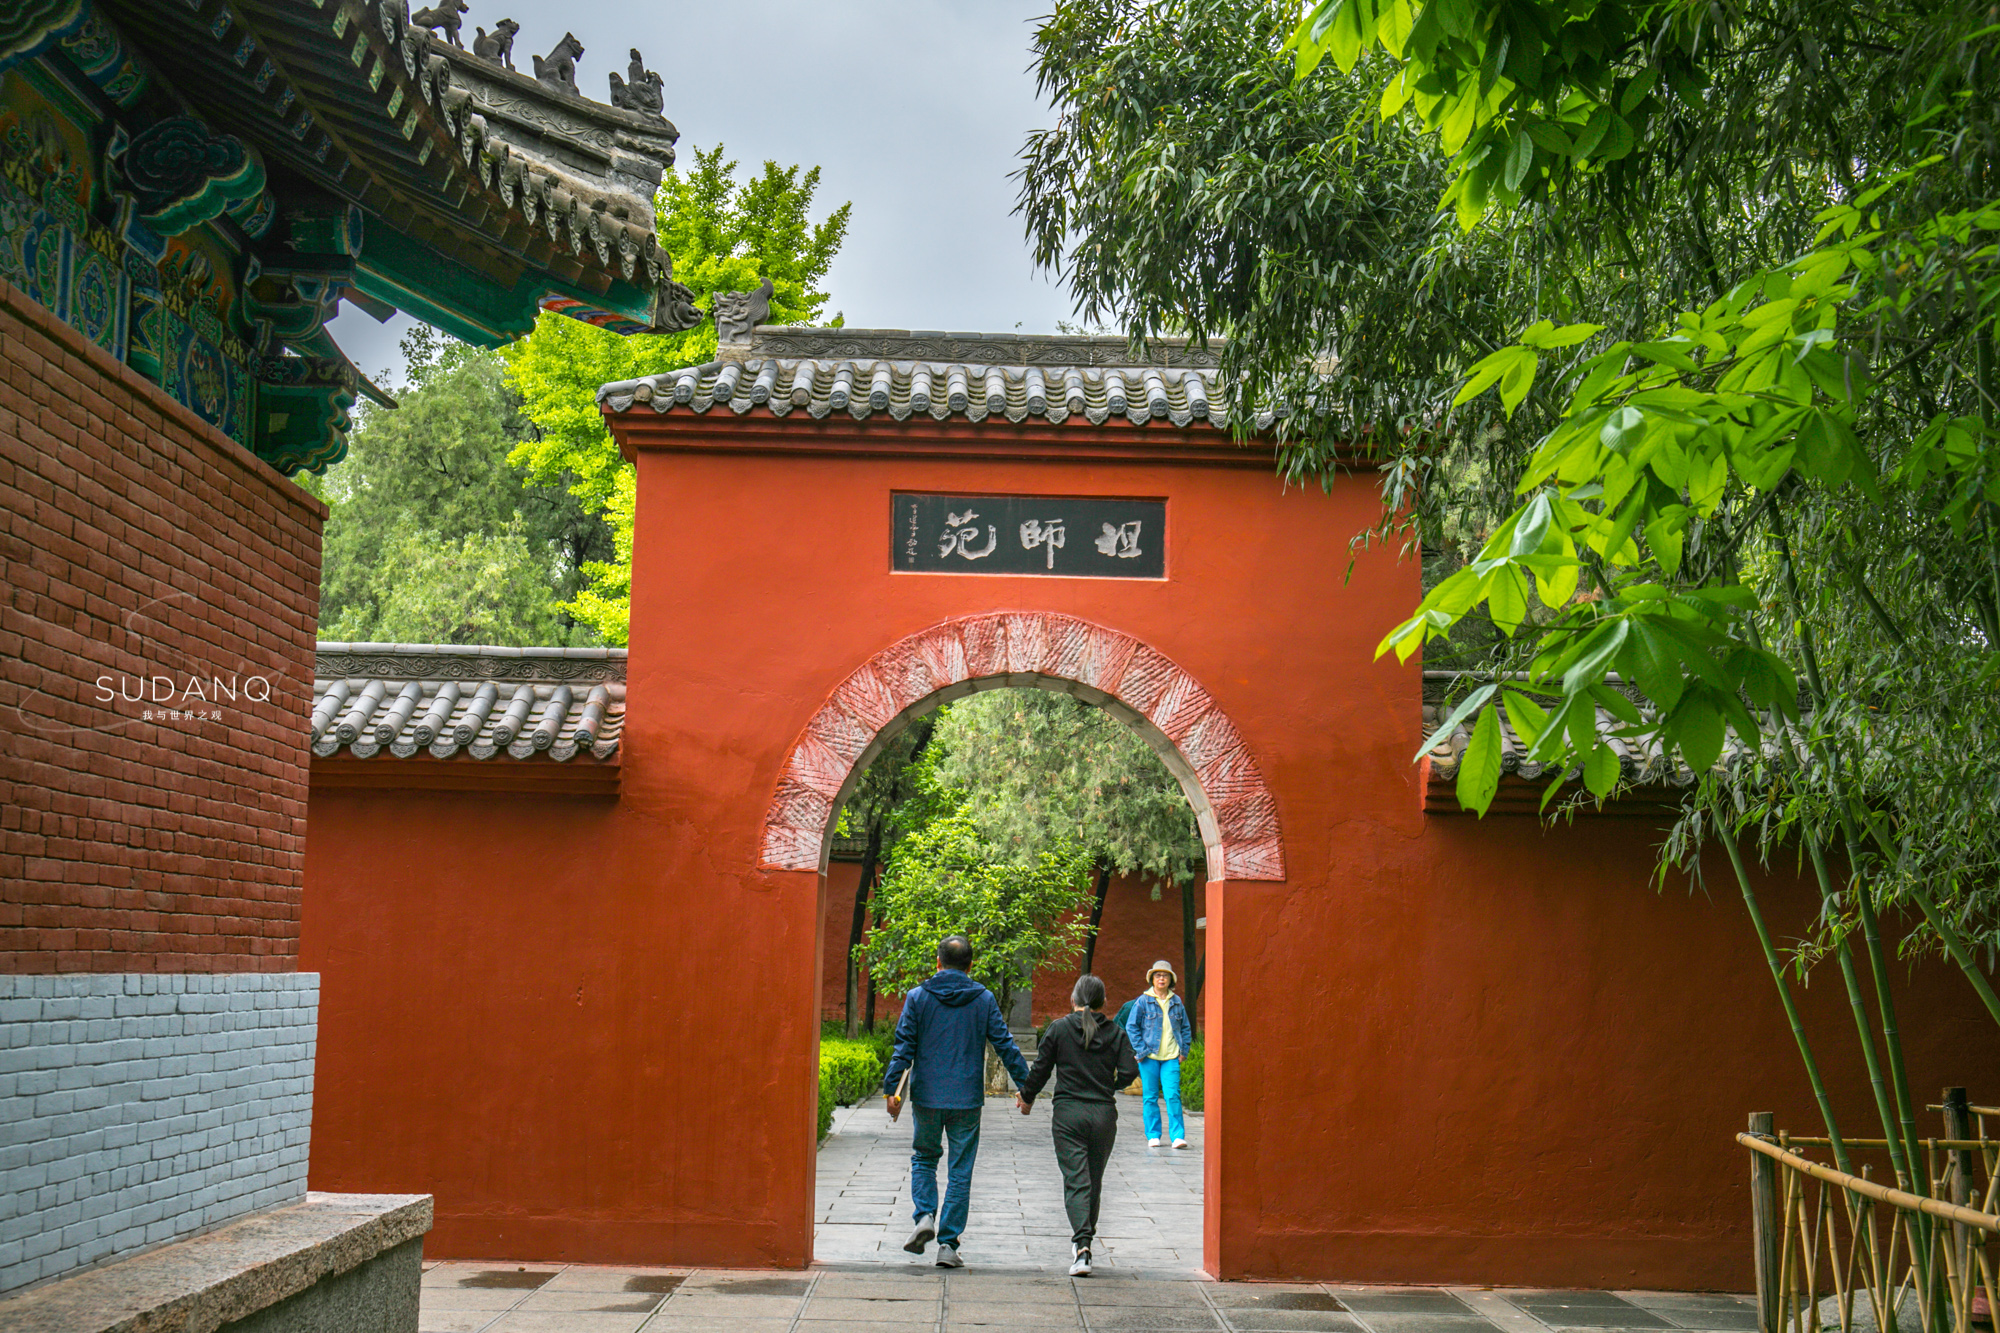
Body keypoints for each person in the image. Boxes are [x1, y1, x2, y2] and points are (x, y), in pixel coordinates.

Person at [880, 934, 1031, 1268]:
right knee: (960, 1170)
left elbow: (903, 1046)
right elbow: (1005, 1044)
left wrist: (892, 1090)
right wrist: (1026, 1087)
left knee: (924, 1157)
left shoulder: (917, 997)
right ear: (970, 965)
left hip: (927, 1096)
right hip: (966, 1098)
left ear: (938, 962)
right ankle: (948, 1245)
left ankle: (924, 1216)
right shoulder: (984, 999)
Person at [1017, 974, 1138, 1276]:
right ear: (1103, 1002)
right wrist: (1110, 1084)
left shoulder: (1059, 1029)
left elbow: (1041, 1069)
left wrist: (1027, 1098)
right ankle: (1085, 1241)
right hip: (1103, 1115)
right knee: (1092, 1181)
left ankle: (1081, 1247)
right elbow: (1129, 1071)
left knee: (1076, 1180)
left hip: (1068, 1114)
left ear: (1072, 1000)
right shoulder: (1116, 1033)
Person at [1124, 959, 1193, 1149]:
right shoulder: (1143, 1001)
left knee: (1172, 1096)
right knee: (1150, 1097)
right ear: (1152, 979)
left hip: (1171, 1057)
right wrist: (1141, 1050)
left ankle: (1177, 1136)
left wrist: (1183, 1051)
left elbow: (1186, 1028)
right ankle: (1153, 1135)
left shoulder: (1176, 1001)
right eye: (1158, 975)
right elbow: (1131, 1026)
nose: (1161, 978)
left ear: (1171, 979)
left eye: (1165, 975)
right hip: (1149, 1057)